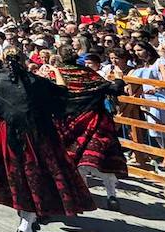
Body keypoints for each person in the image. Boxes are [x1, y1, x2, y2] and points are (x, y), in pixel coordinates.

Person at [0, 43, 95, 232]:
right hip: (34, 136)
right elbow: (62, 93)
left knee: (17, 177)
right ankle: (26, 226)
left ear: (4, 60)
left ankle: (27, 220)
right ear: (23, 61)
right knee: (33, 177)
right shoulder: (35, 81)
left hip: (4, 136)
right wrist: (56, 70)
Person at [47, 44, 127, 209]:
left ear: (60, 58)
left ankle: (81, 195)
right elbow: (114, 89)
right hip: (94, 120)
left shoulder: (54, 75)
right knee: (103, 158)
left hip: (67, 122)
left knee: (73, 159)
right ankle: (111, 195)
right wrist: (119, 78)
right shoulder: (89, 74)